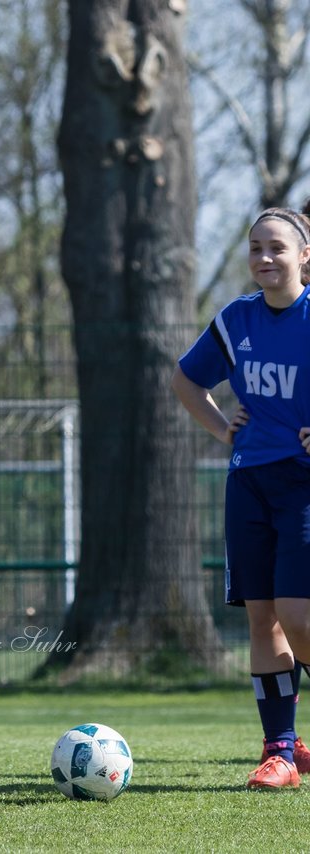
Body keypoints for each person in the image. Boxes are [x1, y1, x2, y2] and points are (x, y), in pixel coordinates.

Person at [172, 206, 310, 790]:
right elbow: (185, 380)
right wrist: (223, 428)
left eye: (277, 247)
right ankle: (282, 751)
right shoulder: (237, 320)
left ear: (305, 255)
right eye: (255, 247)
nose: (264, 258)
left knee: (298, 618)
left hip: (303, 485)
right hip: (248, 483)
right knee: (262, 619)